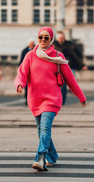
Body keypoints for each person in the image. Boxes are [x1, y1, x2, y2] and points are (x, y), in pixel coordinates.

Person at [14, 26, 86, 171]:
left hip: (52, 99)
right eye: (40, 37)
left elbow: (70, 79)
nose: (42, 40)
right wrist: (20, 84)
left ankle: (40, 158)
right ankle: (52, 156)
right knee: (41, 132)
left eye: (46, 37)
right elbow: (22, 73)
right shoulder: (30, 55)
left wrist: (81, 96)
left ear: (51, 39)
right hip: (35, 99)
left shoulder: (58, 56)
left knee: (45, 129)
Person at [54, 31, 85, 105]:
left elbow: (74, 56)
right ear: (57, 39)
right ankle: (55, 100)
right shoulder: (53, 46)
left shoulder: (68, 46)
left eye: (63, 38)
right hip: (55, 69)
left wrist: (82, 65)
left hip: (65, 68)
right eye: (60, 38)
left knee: (64, 86)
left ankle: (62, 101)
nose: (61, 39)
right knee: (55, 86)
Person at [18, 38, 35, 105]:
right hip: (27, 71)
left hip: (34, 71)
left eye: (33, 44)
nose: (32, 45)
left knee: (34, 87)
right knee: (27, 87)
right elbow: (21, 61)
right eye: (31, 44)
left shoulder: (37, 50)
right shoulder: (24, 51)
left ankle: (33, 100)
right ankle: (27, 99)